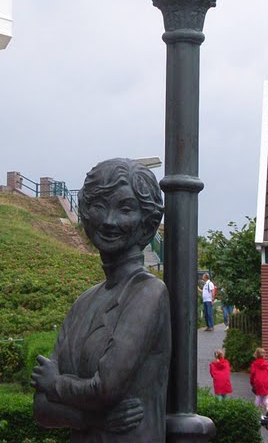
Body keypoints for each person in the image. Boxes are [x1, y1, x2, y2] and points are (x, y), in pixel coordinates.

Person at [32, 158, 169, 442]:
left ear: (148, 223)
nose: (109, 220)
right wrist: (93, 418)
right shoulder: (83, 302)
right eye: (99, 206)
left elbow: (106, 388)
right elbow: (41, 407)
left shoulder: (148, 293)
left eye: (126, 208)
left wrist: (57, 384)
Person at [250, 347, 268, 412]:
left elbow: (252, 375)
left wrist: (252, 383)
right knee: (266, 396)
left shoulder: (254, 364)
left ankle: (258, 412)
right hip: (267, 382)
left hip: (258, 382)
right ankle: (267, 409)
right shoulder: (267, 364)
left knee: (258, 397)